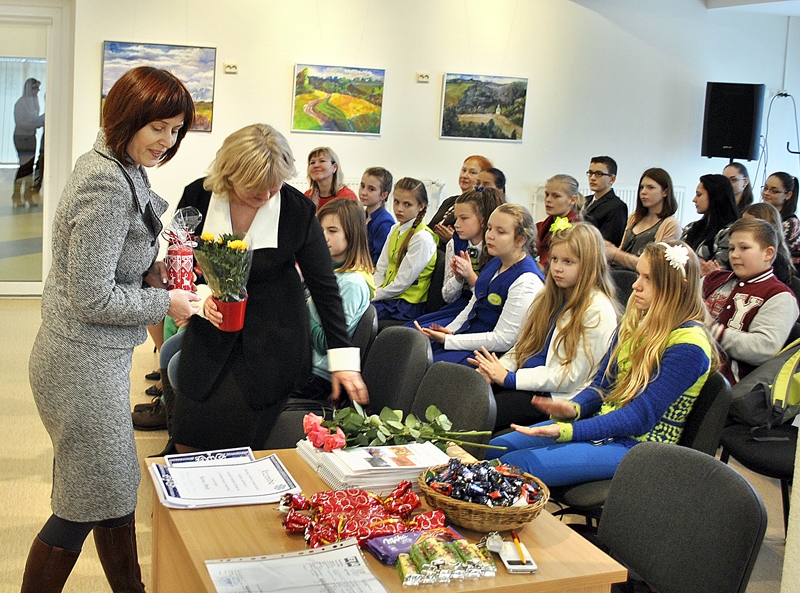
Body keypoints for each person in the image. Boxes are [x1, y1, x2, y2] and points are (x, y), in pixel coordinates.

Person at [22, 66, 199, 592]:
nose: (167, 142)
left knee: (114, 490)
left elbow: (108, 263)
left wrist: (151, 271)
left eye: (176, 130)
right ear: (128, 117)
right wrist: (165, 299)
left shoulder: (120, 164)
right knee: (85, 501)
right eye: (159, 128)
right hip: (78, 366)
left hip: (90, 360)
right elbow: (91, 296)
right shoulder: (106, 181)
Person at [173, 124, 368, 452]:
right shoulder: (196, 196)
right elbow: (178, 259)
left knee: (240, 439)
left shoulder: (298, 209)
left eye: (273, 188)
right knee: (189, 429)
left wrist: (344, 359)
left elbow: (324, 287)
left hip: (274, 338)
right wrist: (201, 297)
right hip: (211, 328)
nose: (264, 197)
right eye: (253, 190)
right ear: (229, 173)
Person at [486, 241, 715, 487]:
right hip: (608, 426)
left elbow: (640, 418)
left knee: (517, 467)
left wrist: (570, 431)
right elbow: (602, 385)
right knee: (494, 449)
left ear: (678, 287)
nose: (636, 285)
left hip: (640, 447)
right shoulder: (635, 322)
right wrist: (575, 408)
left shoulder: (690, 345)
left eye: (649, 279)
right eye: (639, 274)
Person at [470, 223, 619, 432]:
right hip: (525, 381)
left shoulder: (597, 310)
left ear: (588, 265)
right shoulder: (549, 297)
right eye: (555, 259)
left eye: (568, 262)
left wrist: (509, 378)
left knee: (478, 415)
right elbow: (523, 347)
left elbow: (570, 377)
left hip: (553, 396)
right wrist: (499, 369)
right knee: (468, 397)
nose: (557, 268)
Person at [414, 203, 545, 365]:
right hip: (469, 336)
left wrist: (450, 340)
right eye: (489, 228)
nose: (490, 235)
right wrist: (452, 330)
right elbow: (474, 303)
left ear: (520, 240)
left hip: (490, 353)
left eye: (500, 231)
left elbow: (504, 339)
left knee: (428, 366)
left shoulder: (526, 280)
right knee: (414, 350)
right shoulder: (496, 262)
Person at [292, 198, 374, 402]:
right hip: (304, 364)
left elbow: (328, 342)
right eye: (320, 230)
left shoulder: (352, 283)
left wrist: (299, 310)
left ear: (352, 234)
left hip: (319, 377)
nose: (323, 237)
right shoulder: (330, 273)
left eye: (332, 230)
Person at [703, 218, 798, 385]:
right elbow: (684, 307)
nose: (734, 254)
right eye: (731, 248)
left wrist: (711, 330)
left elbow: (763, 347)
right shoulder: (713, 279)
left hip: (723, 385)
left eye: (744, 248)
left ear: (768, 253)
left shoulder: (780, 296)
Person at [410, 188, 503, 328]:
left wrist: (470, 276)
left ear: (483, 221)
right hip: (457, 307)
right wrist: (458, 278)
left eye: (464, 218)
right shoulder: (454, 244)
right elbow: (448, 297)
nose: (456, 224)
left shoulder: (495, 248)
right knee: (411, 330)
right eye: (456, 217)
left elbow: (488, 300)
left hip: (483, 312)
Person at [372, 177, 438, 321]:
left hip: (405, 304)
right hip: (387, 296)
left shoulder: (422, 238)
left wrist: (373, 296)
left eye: (407, 204)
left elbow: (402, 284)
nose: (399, 209)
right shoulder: (395, 229)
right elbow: (381, 268)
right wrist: (371, 291)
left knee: (359, 313)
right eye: (396, 202)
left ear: (421, 206)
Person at [605, 168, 681, 271]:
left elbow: (656, 266)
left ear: (665, 192)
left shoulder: (670, 224)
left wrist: (615, 254)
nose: (643, 192)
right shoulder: (635, 217)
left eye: (650, 188)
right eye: (641, 187)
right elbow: (622, 249)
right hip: (618, 271)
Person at [681, 173, 740, 274]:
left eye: (699, 195)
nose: (694, 200)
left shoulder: (729, 232)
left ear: (715, 196)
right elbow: (675, 258)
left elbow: (718, 271)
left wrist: (690, 264)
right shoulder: (692, 227)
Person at [429, 155, 493, 247]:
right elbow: (430, 227)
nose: (465, 176)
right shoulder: (450, 201)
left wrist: (454, 240)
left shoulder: (484, 207)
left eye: (472, 172)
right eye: (463, 170)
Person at [535, 174, 583, 271]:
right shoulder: (540, 226)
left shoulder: (575, 231)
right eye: (547, 195)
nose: (548, 200)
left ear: (572, 200)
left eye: (556, 196)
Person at [12, 78, 45, 207]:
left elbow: (33, 118)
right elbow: (20, 122)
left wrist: (41, 119)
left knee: (30, 167)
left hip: (31, 136)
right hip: (21, 137)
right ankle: (16, 195)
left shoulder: (34, 101)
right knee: (24, 166)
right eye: (35, 88)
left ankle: (27, 194)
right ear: (29, 88)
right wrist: (36, 124)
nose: (37, 91)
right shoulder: (20, 103)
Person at [742, 202, 795, 283]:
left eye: (750, 224)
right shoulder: (737, 250)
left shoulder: (777, 262)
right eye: (743, 223)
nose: (742, 228)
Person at [582, 156, 628, 246]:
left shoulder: (617, 206)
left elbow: (608, 242)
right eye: (590, 173)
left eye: (598, 174)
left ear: (612, 179)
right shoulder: (585, 200)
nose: (592, 178)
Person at [761, 171, 800, 265]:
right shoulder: (760, 215)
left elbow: (775, 254)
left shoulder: (791, 223)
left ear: (788, 195)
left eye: (774, 191)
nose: (766, 193)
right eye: (765, 188)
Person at [359, 166, 395, 265]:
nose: (363, 192)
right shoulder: (362, 215)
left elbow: (379, 260)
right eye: (362, 186)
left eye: (371, 189)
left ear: (384, 195)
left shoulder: (384, 222)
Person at [305, 146, 357, 210]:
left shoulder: (347, 197)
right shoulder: (307, 196)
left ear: (334, 167)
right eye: (312, 162)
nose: (316, 165)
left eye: (322, 161)